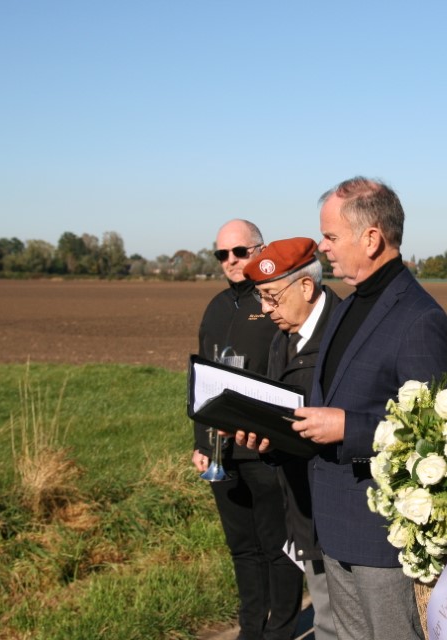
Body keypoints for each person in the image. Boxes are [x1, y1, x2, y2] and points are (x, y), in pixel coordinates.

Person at [288, 177, 447, 640]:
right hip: (335, 519)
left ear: (371, 237)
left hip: (383, 536)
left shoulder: (420, 320)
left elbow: (433, 435)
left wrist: (350, 429)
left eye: (331, 236)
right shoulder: (348, 305)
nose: (322, 247)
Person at [192, 219, 304, 640]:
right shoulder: (217, 307)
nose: (231, 261)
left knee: (279, 547)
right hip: (221, 452)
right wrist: (200, 443)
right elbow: (202, 379)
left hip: (266, 448)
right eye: (222, 254)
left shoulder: (276, 300)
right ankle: (250, 629)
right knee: (243, 548)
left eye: (240, 252)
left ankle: (282, 630)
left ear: (260, 250)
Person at [238, 236, 342, 640]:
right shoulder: (283, 337)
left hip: (340, 510)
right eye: (261, 298)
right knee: (326, 617)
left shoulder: (343, 335)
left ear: (305, 286)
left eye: (271, 297)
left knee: (345, 622)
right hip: (301, 506)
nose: (265, 311)